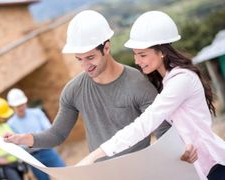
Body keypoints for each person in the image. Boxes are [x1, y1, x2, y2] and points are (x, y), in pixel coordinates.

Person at [3, 10, 195, 165]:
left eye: (90, 58)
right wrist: (22, 139)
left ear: (106, 48)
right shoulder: (73, 90)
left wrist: (181, 156)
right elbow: (56, 135)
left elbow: (163, 132)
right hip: (100, 173)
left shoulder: (139, 84)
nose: (86, 66)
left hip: (139, 170)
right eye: (79, 59)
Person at [76, 11, 225, 180]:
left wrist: (95, 155)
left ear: (162, 51)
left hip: (213, 165)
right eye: (135, 54)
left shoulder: (181, 80)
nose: (137, 61)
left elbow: (147, 122)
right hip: (193, 167)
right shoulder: (163, 82)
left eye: (143, 55)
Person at [6, 88, 66, 180]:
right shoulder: (10, 124)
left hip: (47, 151)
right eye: (17, 106)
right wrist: (35, 138)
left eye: (22, 104)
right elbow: (17, 144)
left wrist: (27, 140)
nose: (21, 108)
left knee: (65, 173)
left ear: (25, 102)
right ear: (12, 107)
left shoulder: (37, 113)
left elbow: (48, 130)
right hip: (33, 158)